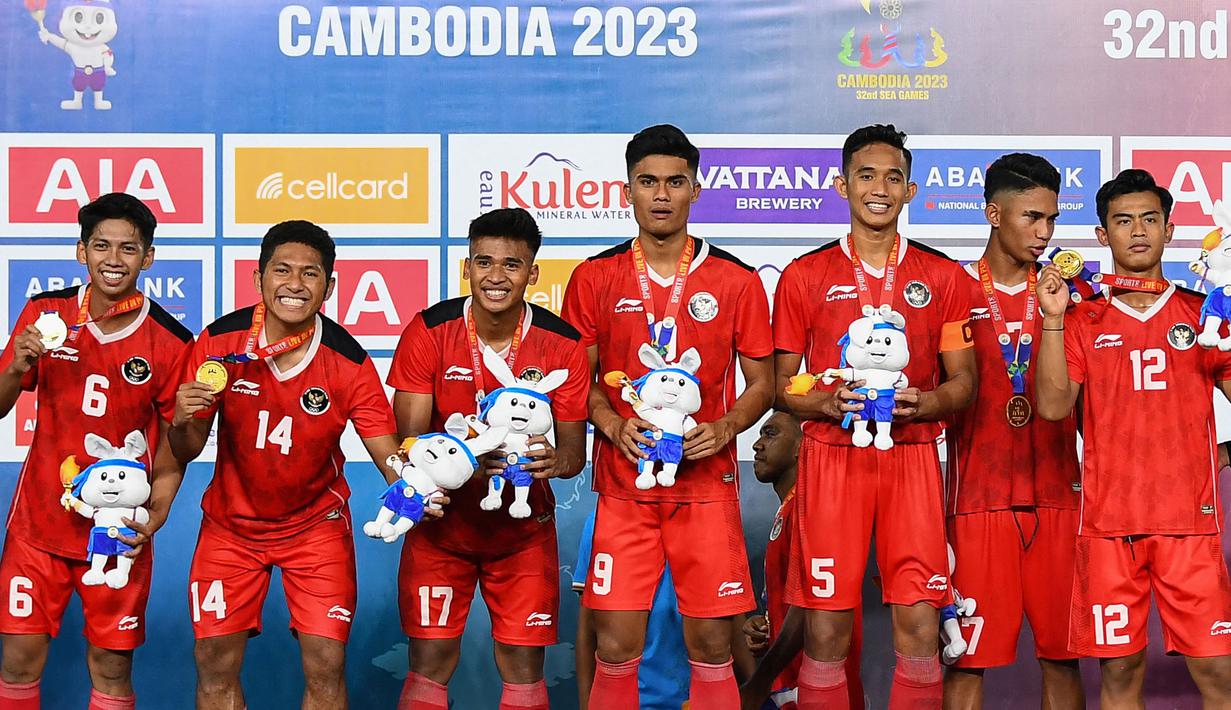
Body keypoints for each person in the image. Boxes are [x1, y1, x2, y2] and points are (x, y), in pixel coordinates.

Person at [562, 124, 775, 709]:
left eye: (675, 182)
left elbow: (766, 383)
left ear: (695, 189)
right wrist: (611, 424)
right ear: (626, 189)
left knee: (710, 644)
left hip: (706, 488)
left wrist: (727, 427)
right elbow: (578, 383)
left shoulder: (736, 279)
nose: (661, 194)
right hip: (624, 491)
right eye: (647, 181)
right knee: (616, 644)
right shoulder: (594, 276)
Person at [773, 124, 976, 708]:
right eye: (866, 175)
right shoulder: (803, 275)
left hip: (911, 457)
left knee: (917, 629)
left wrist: (928, 402)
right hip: (831, 459)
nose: (879, 189)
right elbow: (783, 387)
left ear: (910, 190)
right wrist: (827, 403)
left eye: (893, 177)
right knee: (827, 630)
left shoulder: (944, 276)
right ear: (842, 185)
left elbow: (964, 384)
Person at [168, 220, 406, 710]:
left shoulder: (349, 361)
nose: (294, 285)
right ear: (258, 279)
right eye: (282, 271)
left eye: (310, 274)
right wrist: (180, 420)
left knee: (325, 665)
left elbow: (390, 457)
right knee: (214, 661)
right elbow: (186, 447)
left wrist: (417, 487)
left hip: (315, 529)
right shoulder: (219, 342)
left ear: (329, 287)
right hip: (230, 530)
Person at [1035, 169, 1231, 708]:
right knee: (1119, 675)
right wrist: (1052, 319)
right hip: (1108, 529)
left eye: (1150, 219)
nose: (1138, 231)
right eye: (1123, 221)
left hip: (1189, 529)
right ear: (1104, 236)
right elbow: (1052, 406)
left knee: (1219, 676)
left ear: (1170, 230)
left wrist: (1225, 453)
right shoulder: (1081, 318)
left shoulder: (1203, 314)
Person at [388, 207, 589, 709]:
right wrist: (460, 464)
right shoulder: (429, 329)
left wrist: (552, 462)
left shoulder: (562, 344)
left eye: (512, 265)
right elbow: (408, 443)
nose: (496, 277)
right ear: (466, 267)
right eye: (484, 262)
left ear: (533, 273)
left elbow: (574, 454)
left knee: (523, 670)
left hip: (522, 533)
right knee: (429, 664)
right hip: (442, 531)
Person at [0, 193, 193, 710]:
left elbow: (177, 448)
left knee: (110, 667)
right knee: (18, 660)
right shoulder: (45, 314)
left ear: (147, 257)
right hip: (38, 526)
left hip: (116, 531)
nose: (114, 259)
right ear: (80, 250)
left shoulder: (172, 340)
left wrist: (155, 515)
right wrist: (16, 367)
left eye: (129, 248)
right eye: (101, 246)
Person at [943, 153, 1084, 709]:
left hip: (1059, 497)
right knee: (968, 662)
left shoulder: (1071, 297)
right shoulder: (950, 289)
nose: (1044, 232)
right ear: (993, 214)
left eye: (1051, 218)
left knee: (1063, 657)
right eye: (1031, 217)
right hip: (977, 501)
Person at [740, 410, 864, 710]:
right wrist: (768, 624)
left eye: (770, 434)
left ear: (802, 446)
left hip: (816, 688)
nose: (757, 444)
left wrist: (759, 681)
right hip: (788, 686)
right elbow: (793, 600)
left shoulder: (813, 511)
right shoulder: (790, 508)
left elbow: (811, 605)